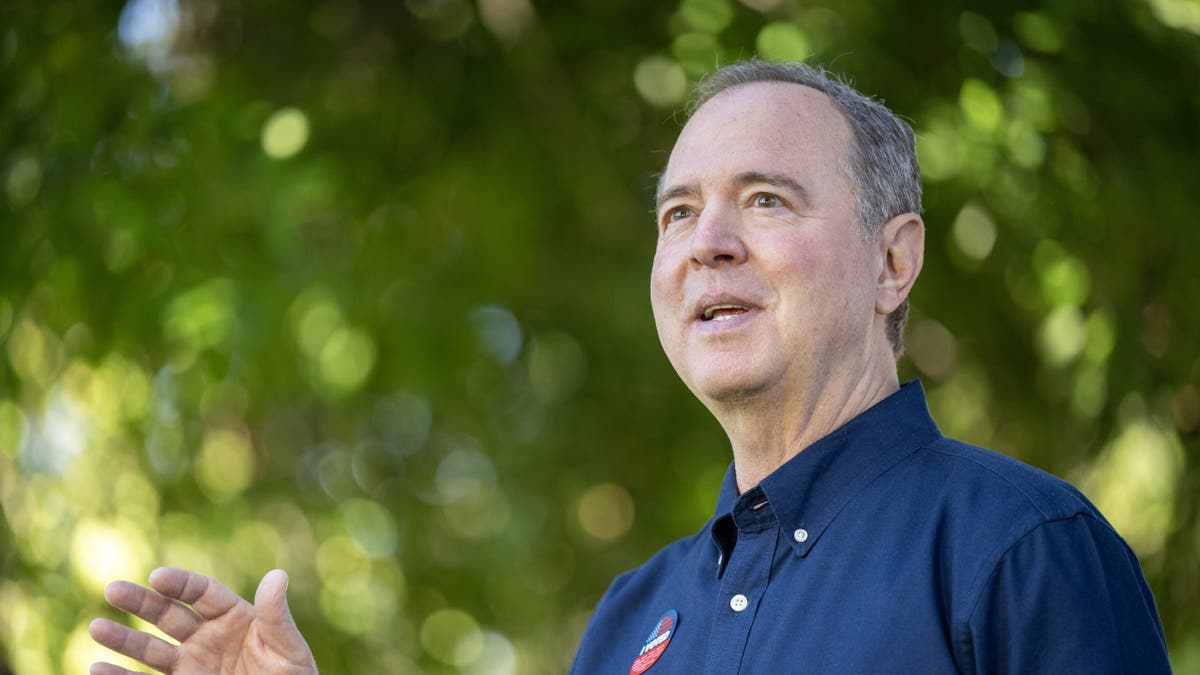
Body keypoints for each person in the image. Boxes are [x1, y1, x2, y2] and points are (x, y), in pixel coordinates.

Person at [91, 60, 1171, 674]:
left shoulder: (1022, 552)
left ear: (895, 261)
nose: (708, 241)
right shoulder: (629, 621)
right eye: (678, 211)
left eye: (764, 199)